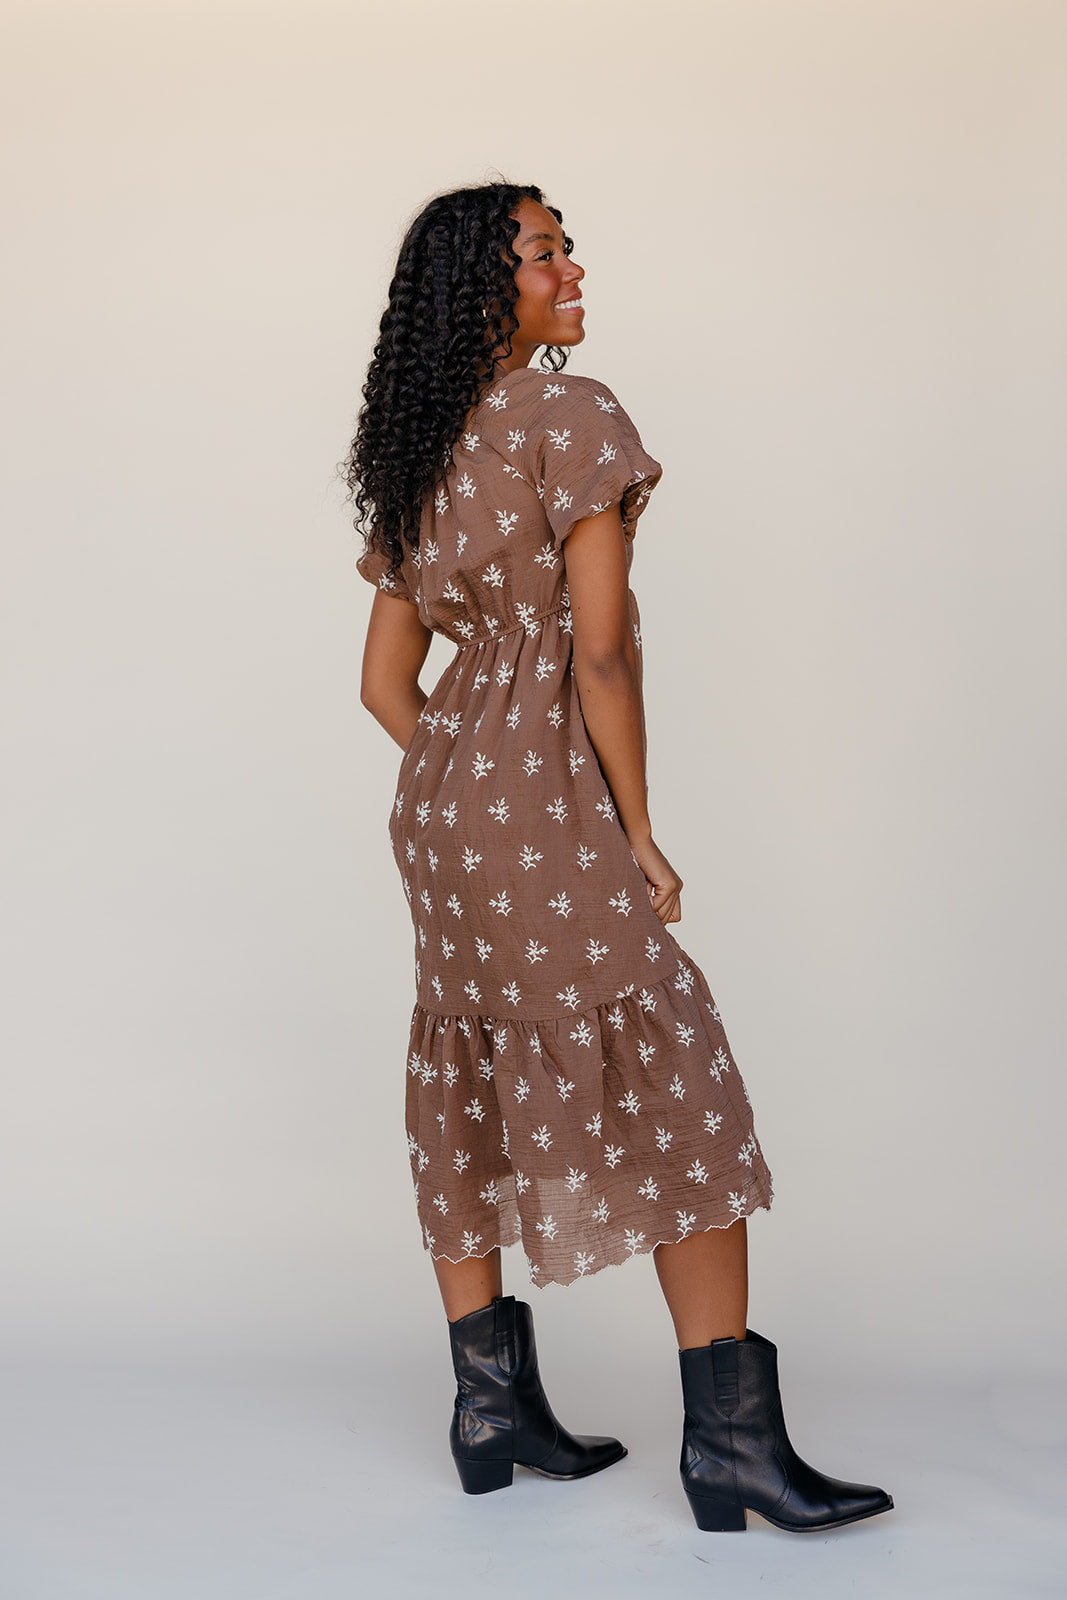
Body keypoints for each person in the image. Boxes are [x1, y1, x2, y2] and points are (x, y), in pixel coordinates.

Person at [346, 180, 894, 1534]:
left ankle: (491, 1412)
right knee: (680, 1084)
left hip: (441, 809)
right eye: (543, 251)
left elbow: (380, 685)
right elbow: (600, 648)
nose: (572, 265)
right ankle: (733, 1449)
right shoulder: (573, 417)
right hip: (540, 802)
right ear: (486, 286)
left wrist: (461, 776)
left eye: (566, 244)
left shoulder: (419, 446)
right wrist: (632, 829)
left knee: (466, 1056)